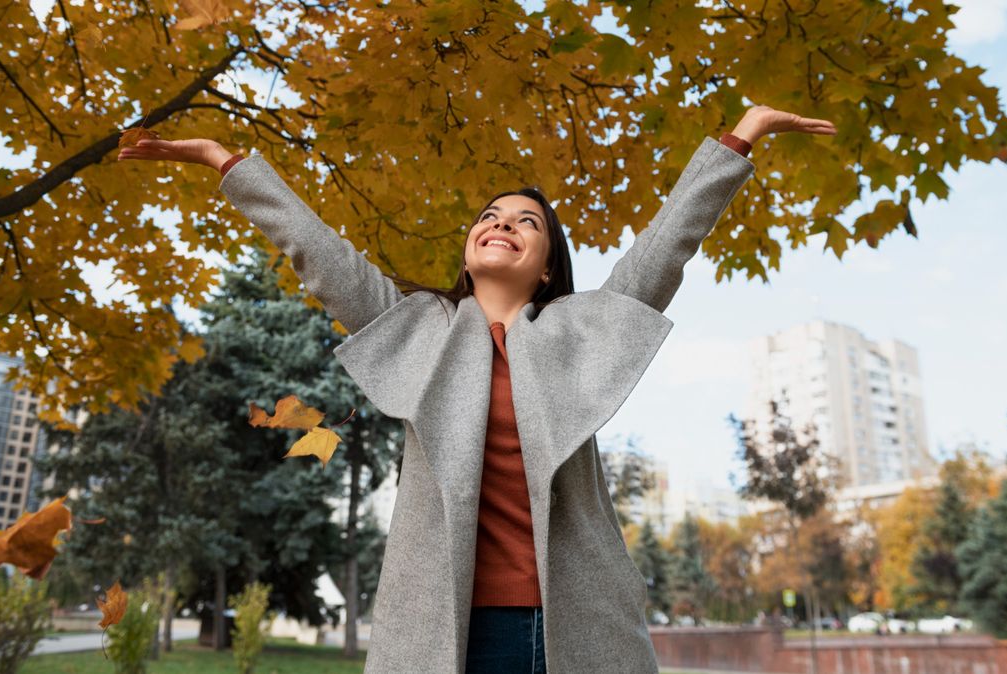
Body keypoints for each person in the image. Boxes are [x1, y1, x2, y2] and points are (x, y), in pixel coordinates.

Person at [118, 104, 835, 673]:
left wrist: (742, 134)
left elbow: (662, 251)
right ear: (470, 246)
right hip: (447, 631)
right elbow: (318, 251)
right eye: (490, 216)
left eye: (526, 222)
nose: (502, 224)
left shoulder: (579, 333)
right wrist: (225, 161)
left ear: (547, 266)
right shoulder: (418, 329)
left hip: (574, 628)